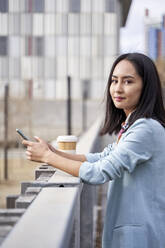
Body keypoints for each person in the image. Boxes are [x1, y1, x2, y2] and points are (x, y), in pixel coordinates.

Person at [23, 53, 165, 248]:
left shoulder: (145, 129)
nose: (117, 88)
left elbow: (99, 172)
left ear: (146, 87)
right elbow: (101, 157)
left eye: (128, 81)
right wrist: (55, 152)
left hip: (140, 237)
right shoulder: (134, 125)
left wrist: (47, 157)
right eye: (114, 81)